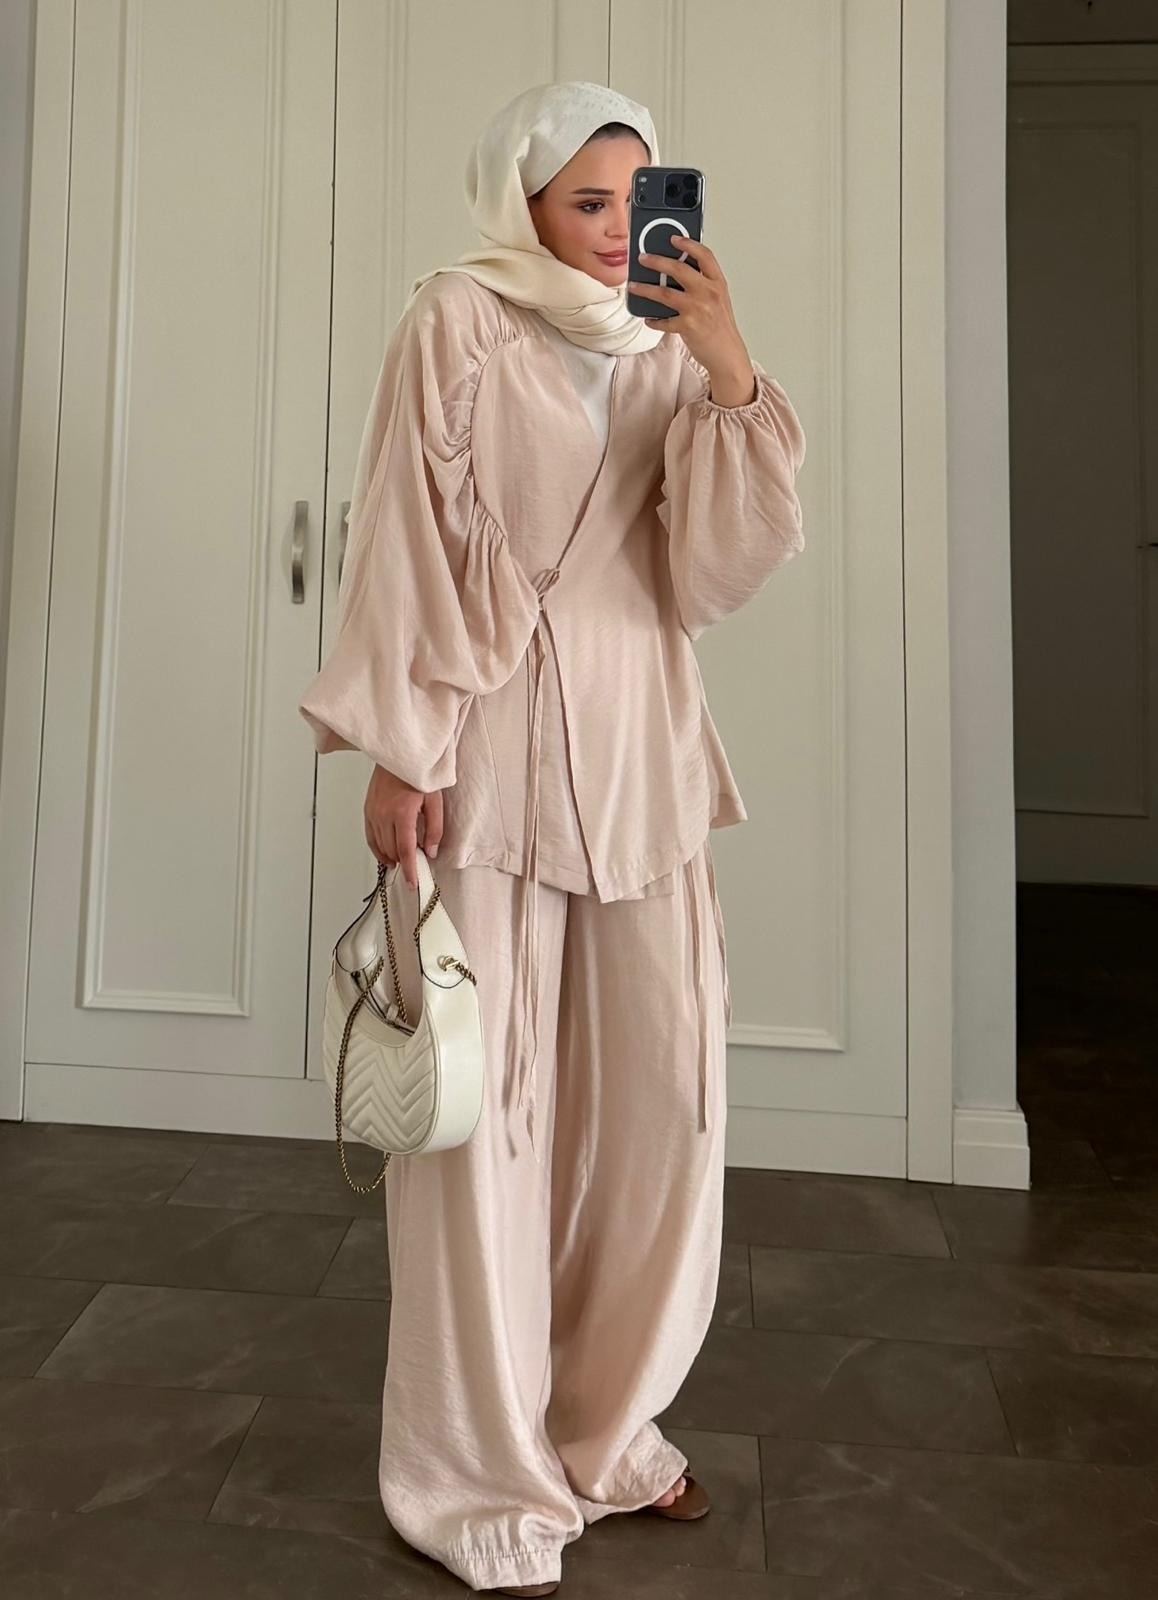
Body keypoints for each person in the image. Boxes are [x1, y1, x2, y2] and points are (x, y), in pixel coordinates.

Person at [299, 80, 806, 1598]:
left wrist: (726, 367)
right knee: (485, 1127)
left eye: (638, 202)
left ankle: (605, 1426)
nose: (614, 229)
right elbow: (406, 530)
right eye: (586, 201)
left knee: (661, 1113)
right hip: (491, 747)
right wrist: (404, 746)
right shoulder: (456, 319)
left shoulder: (664, 342)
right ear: (520, 201)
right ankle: (478, 1470)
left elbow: (710, 573)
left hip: (642, 749)